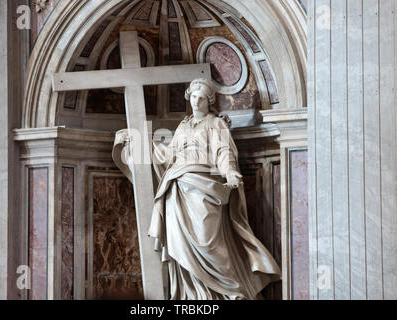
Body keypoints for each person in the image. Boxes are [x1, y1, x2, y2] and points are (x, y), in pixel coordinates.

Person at [113, 78, 280, 300]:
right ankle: (192, 297)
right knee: (180, 244)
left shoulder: (216, 124)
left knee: (208, 241)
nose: (196, 101)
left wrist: (230, 172)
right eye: (193, 96)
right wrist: (139, 143)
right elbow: (168, 155)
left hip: (205, 186)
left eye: (201, 97)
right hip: (177, 188)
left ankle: (231, 291)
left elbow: (224, 152)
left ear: (209, 100)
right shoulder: (183, 125)